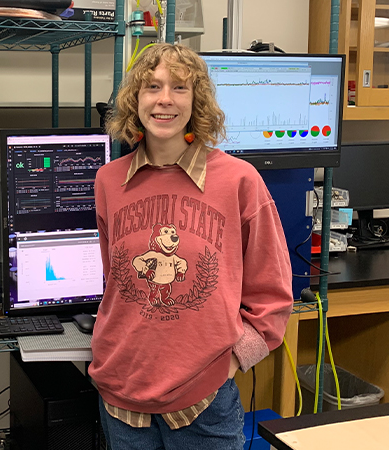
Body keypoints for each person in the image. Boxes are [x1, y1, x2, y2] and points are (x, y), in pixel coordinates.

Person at [91, 43, 294, 449]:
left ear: (196, 100)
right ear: (135, 99)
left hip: (205, 399)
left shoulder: (239, 180)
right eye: (152, 86)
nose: (164, 99)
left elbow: (272, 294)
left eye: (180, 88)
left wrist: (231, 361)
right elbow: (116, 283)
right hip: (120, 393)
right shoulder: (109, 181)